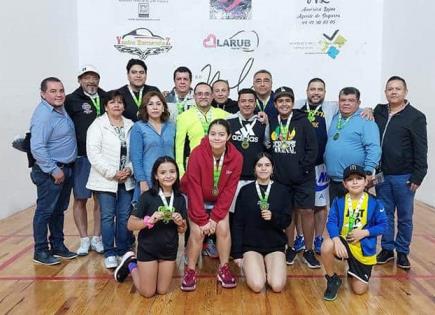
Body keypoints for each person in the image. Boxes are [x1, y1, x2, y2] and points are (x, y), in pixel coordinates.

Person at [180, 119, 243, 291]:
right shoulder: (197, 153)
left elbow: (229, 190)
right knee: (198, 232)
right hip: (196, 196)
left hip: (218, 199)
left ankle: (223, 268)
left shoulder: (237, 157)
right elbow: (193, 187)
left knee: (223, 229)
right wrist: (202, 220)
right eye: (213, 134)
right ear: (208, 135)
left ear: (228, 136)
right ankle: (190, 270)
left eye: (221, 134)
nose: (216, 138)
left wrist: (215, 218)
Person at [374, 76, 428, 270]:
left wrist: (418, 175)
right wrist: (366, 110)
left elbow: (421, 148)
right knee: (385, 214)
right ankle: (387, 249)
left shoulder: (416, 117)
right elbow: (368, 113)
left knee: (405, 216)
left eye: (398, 89)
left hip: (405, 177)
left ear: (405, 92)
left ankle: (403, 251)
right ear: (386, 92)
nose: (394, 92)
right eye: (390, 89)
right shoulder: (379, 111)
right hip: (381, 176)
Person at [114, 156, 187, 298]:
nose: (168, 176)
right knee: (147, 293)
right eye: (163, 172)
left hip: (169, 250)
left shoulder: (180, 198)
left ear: (177, 174)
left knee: (162, 290)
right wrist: (148, 221)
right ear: (156, 175)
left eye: (172, 171)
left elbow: (182, 230)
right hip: (148, 249)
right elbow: (130, 224)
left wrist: (180, 223)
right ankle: (131, 264)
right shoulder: (147, 196)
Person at [266, 87, 320, 269]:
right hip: (281, 180)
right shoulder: (272, 121)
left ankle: (309, 250)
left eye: (287, 101)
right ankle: (290, 247)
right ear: (275, 104)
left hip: (303, 178)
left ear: (292, 103)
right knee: (287, 215)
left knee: (306, 212)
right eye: (280, 101)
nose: (284, 104)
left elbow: (313, 149)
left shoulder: (303, 121)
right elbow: (269, 147)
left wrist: (302, 169)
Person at [321, 164, 387, 301]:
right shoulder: (339, 201)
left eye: (359, 178)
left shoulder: (375, 202)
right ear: (345, 184)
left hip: (363, 248)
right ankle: (333, 279)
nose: (355, 182)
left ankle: (354, 271)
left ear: (365, 181)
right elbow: (331, 222)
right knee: (326, 245)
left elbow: (383, 225)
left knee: (359, 290)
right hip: (344, 243)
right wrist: (336, 239)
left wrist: (365, 233)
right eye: (350, 179)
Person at [30, 77, 78, 265]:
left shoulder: (60, 109)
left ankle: (57, 246)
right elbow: (37, 148)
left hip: (65, 169)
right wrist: (53, 169)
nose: (59, 95)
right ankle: (40, 251)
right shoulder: (44, 115)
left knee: (58, 210)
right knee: (45, 211)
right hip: (51, 172)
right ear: (43, 94)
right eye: (53, 91)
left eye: (61, 90)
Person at [86, 90, 135, 269]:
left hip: (126, 179)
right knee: (107, 217)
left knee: (123, 217)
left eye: (120, 102)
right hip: (105, 180)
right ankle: (109, 252)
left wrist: (129, 169)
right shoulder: (97, 125)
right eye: (112, 102)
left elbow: (136, 151)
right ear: (106, 106)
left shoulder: (130, 125)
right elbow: (93, 153)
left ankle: (122, 250)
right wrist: (112, 172)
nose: (117, 105)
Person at [232, 153, 291, 293]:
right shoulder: (245, 191)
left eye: (267, 165)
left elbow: (286, 221)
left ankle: (270, 269)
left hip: (275, 245)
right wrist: (237, 254)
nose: (263, 168)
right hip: (251, 246)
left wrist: (273, 217)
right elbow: (237, 223)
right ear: (254, 169)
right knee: (258, 285)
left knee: (277, 286)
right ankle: (257, 268)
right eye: (259, 165)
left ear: (272, 168)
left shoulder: (282, 191)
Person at [65, 65, 106, 256]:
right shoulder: (70, 100)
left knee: (100, 200)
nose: (91, 81)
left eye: (94, 77)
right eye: (87, 77)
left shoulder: (107, 97)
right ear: (80, 80)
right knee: (80, 199)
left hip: (104, 158)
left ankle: (97, 238)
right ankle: (83, 239)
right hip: (82, 159)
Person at [324, 87, 381, 204]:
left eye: (351, 100)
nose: (346, 103)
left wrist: (368, 171)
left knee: (354, 218)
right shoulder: (334, 117)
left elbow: (374, 148)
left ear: (358, 103)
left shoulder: (366, 119)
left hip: (354, 181)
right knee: (337, 216)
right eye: (343, 100)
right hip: (334, 180)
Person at [227, 88, 268, 214]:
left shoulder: (263, 122)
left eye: (250, 101)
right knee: (233, 216)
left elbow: (268, 145)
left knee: (254, 215)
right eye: (243, 101)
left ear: (255, 104)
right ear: (238, 103)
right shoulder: (229, 121)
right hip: (233, 179)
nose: (247, 104)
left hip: (256, 179)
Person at [176, 82, 229, 177]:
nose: (203, 97)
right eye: (199, 94)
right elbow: (179, 147)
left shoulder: (224, 115)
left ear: (212, 96)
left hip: (220, 165)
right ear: (194, 96)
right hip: (195, 165)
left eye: (207, 94)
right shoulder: (183, 117)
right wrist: (181, 173)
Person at [130, 91, 175, 203]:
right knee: (149, 217)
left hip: (170, 179)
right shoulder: (138, 127)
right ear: (145, 108)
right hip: (149, 179)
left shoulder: (171, 126)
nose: (155, 107)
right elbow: (136, 157)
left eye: (158, 104)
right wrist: (142, 180)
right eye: (150, 104)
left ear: (164, 107)